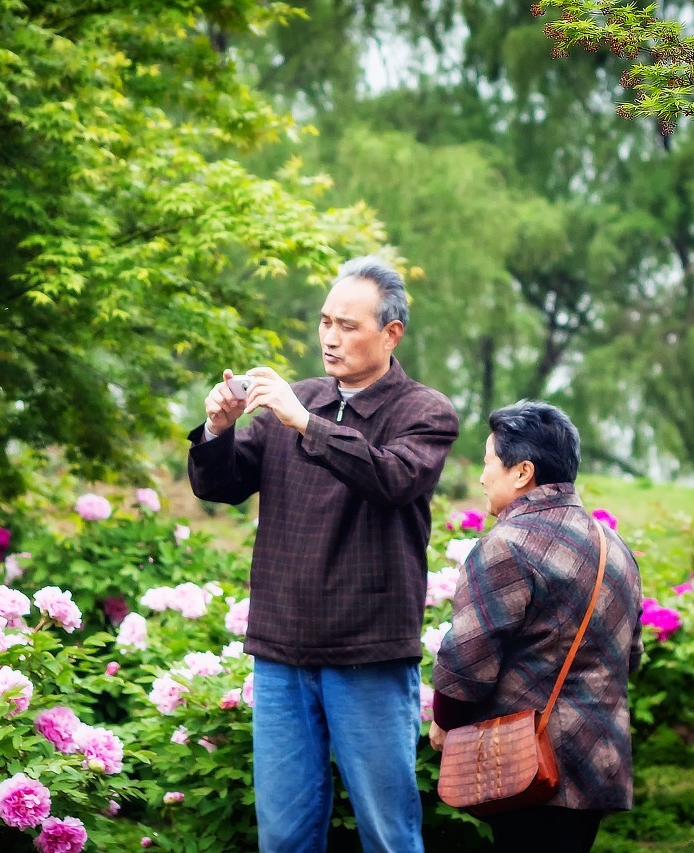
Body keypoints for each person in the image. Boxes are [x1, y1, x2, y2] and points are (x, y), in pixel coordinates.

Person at [187, 256, 460, 853]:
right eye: (324, 322)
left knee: (387, 832)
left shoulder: (423, 411)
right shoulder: (297, 401)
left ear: (392, 333)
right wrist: (217, 428)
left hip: (367, 651)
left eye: (348, 325)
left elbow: (392, 478)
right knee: (283, 835)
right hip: (280, 651)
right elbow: (221, 485)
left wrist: (305, 422)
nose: (331, 338)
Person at [429, 401, 643, 853]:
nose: (483, 478)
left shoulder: (507, 546)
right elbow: (632, 657)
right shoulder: (613, 544)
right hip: (598, 762)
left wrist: (444, 722)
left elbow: (468, 661)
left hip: (528, 763)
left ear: (522, 472)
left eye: (489, 463)